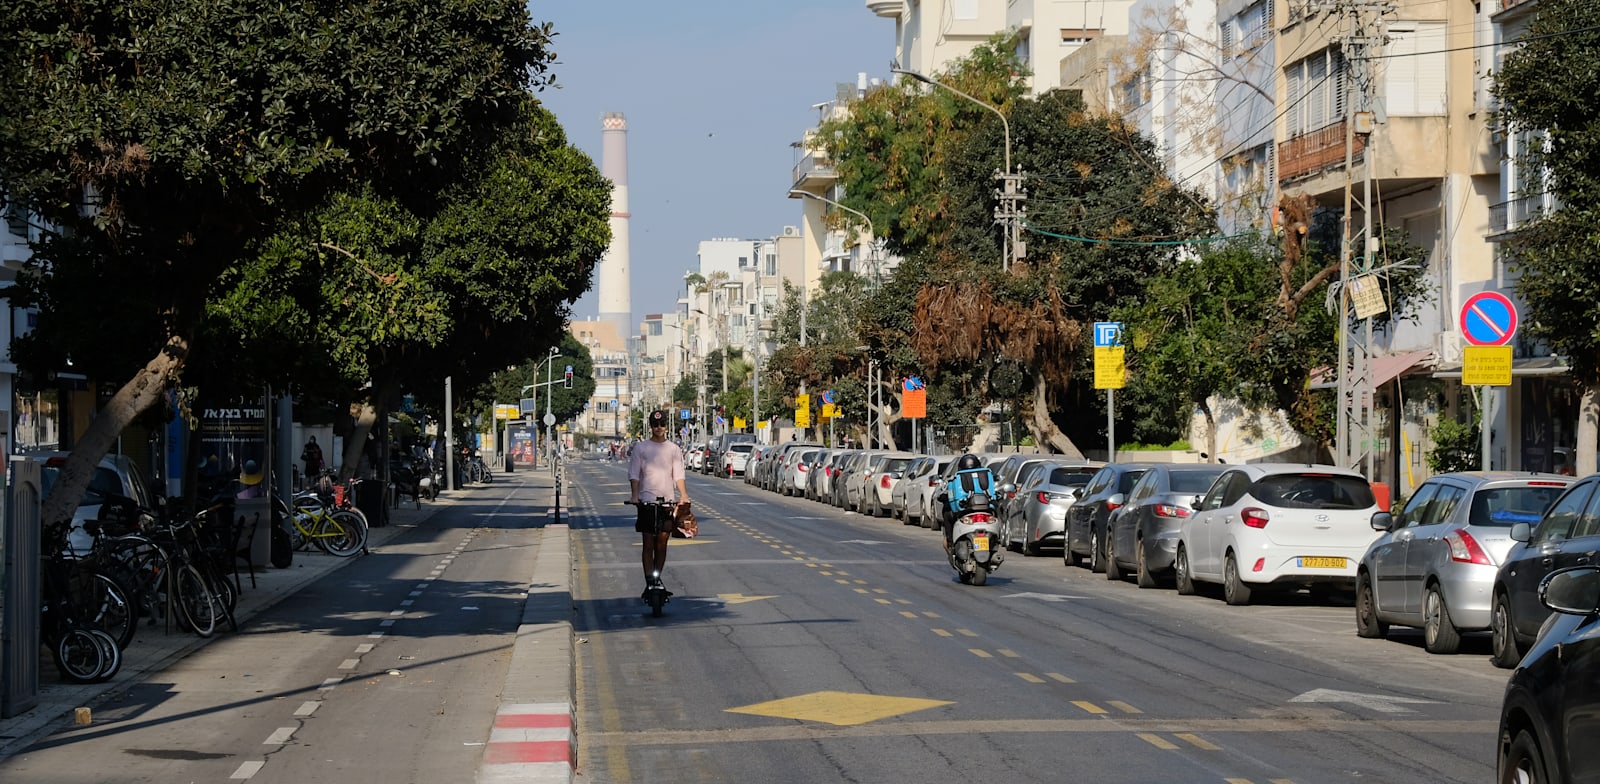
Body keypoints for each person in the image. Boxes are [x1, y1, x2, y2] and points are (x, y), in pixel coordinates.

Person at [629, 409, 689, 598]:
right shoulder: (641, 448)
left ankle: (657, 577)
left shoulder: (673, 449)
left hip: (667, 502)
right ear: (651, 427)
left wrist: (684, 495)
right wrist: (634, 496)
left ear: (666, 426)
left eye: (662, 424)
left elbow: (678, 474)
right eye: (655, 425)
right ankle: (649, 580)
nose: (659, 428)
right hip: (646, 501)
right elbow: (634, 474)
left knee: (662, 542)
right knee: (648, 542)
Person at [941, 453, 995, 550]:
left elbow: (949, 496)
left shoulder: (957, 478)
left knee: (947, 512)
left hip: (965, 512)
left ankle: (950, 543)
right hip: (987, 511)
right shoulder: (985, 475)